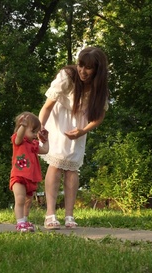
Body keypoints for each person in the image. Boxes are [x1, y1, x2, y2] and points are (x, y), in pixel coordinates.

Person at [38, 46, 109, 229]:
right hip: (58, 121)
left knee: (72, 168)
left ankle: (69, 216)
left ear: (97, 70)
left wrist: (83, 131)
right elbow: (47, 107)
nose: (82, 71)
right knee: (56, 164)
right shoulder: (67, 77)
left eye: (88, 68)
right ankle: (50, 215)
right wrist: (41, 127)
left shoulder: (99, 88)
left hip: (79, 128)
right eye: (80, 65)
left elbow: (99, 116)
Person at [9, 112, 49, 232]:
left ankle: (25, 221)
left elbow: (46, 150)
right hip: (18, 176)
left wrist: (46, 140)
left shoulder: (33, 144)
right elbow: (20, 136)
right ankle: (20, 223)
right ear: (22, 128)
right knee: (20, 199)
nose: (35, 134)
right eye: (33, 131)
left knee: (28, 202)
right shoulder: (18, 140)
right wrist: (23, 126)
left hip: (30, 178)